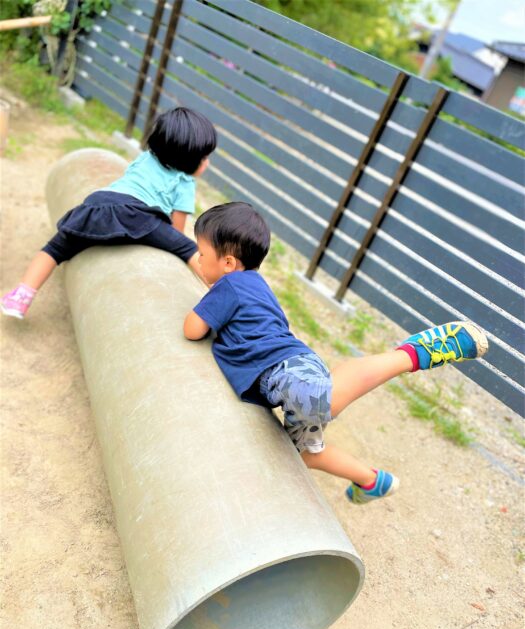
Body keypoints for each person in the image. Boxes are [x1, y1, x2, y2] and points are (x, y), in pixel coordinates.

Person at [183, 202, 489, 504]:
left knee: (321, 398)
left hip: (285, 373)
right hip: (295, 366)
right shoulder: (254, 284)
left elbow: (192, 329)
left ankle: (415, 353)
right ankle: (370, 480)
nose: (198, 259)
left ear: (227, 263)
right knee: (302, 453)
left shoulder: (230, 286)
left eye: (202, 253)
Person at [1, 106, 217, 319]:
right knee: (188, 249)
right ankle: (221, 288)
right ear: (187, 160)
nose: (207, 163)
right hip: (138, 215)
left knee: (55, 248)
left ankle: (21, 296)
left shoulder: (147, 157)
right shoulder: (185, 182)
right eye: (204, 157)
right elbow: (176, 230)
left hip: (98, 204)